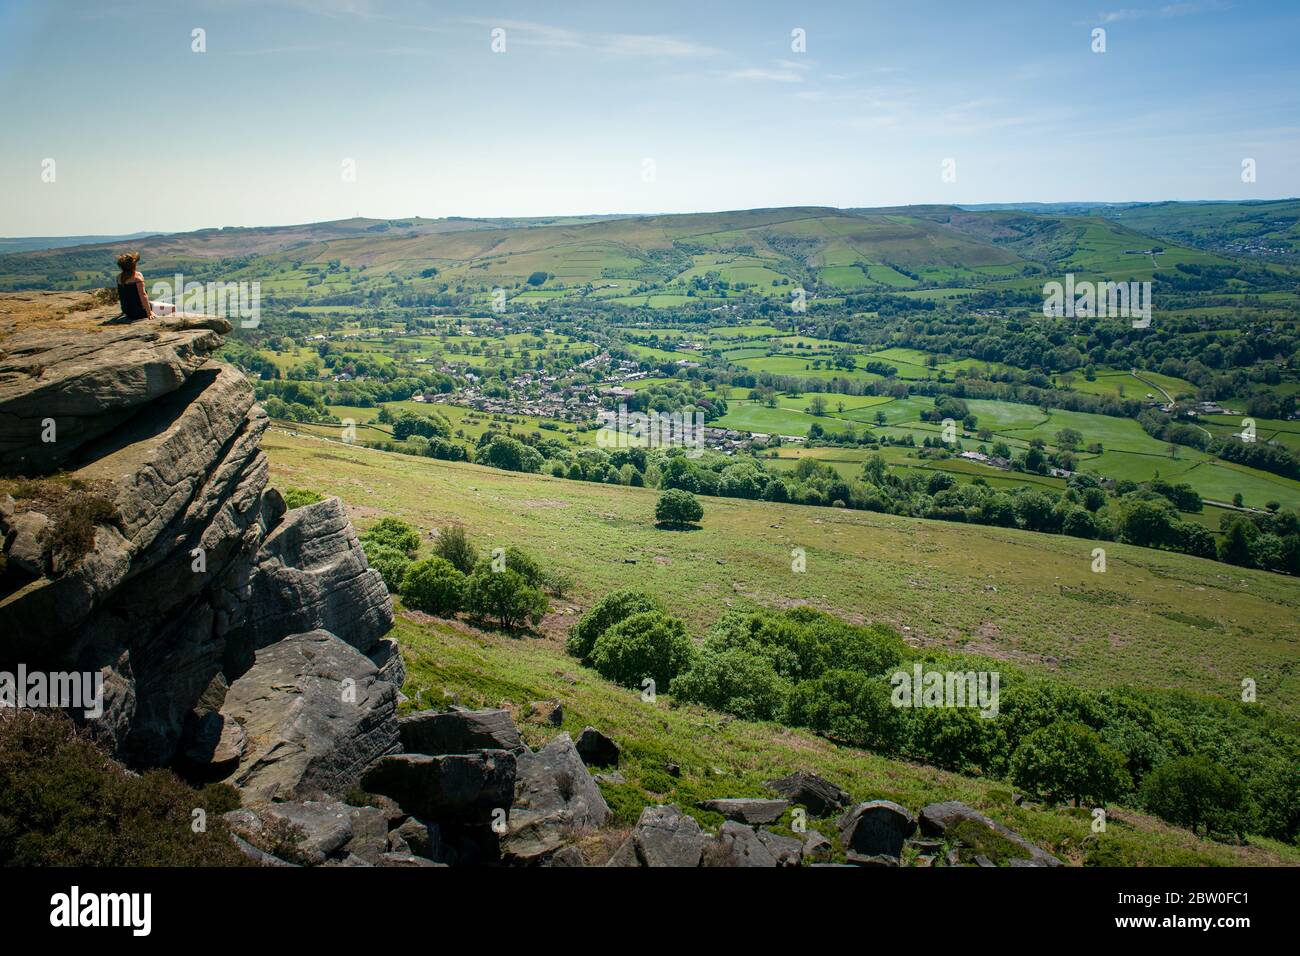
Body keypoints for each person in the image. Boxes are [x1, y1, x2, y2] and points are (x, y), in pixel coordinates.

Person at [115, 251, 176, 320]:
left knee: (154, 303)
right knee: (174, 308)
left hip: (127, 311)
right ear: (133, 265)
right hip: (140, 312)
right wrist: (149, 313)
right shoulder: (137, 277)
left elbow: (123, 295)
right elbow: (143, 295)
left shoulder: (118, 277)